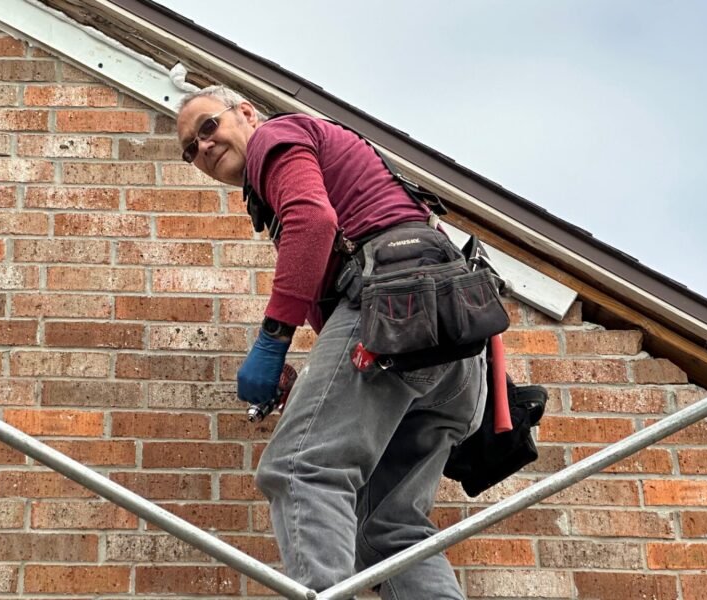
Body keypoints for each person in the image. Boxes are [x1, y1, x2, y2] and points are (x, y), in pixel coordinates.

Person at [175, 85, 486, 599]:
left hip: (397, 314)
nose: (202, 147)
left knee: (301, 469)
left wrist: (273, 340)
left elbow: (313, 222)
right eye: (190, 149)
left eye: (208, 127)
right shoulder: (344, 181)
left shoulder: (277, 136)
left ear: (246, 113)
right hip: (449, 350)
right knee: (388, 527)